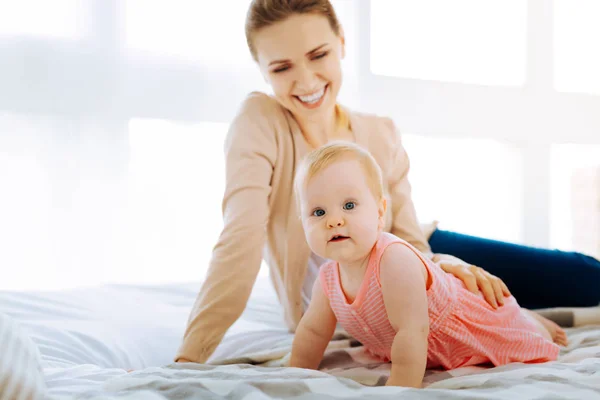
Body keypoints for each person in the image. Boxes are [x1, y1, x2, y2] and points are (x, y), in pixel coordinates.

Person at [175, 0, 600, 364]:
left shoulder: (379, 132)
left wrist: (446, 269)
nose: (305, 81)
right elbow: (240, 239)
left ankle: (518, 314)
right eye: (282, 67)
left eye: (318, 55)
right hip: (364, 297)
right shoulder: (260, 122)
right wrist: (189, 358)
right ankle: (519, 314)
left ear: (342, 45)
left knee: (585, 277)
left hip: (420, 262)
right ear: (263, 72)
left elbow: (411, 242)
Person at [289, 141, 565, 388]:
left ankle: (532, 318)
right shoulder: (327, 279)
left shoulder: (392, 258)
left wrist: (400, 389)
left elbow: (412, 330)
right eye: (318, 212)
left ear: (380, 212)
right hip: (425, 347)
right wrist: (294, 372)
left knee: (522, 332)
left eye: (349, 205)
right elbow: (313, 332)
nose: (333, 220)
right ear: (303, 223)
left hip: (473, 322)